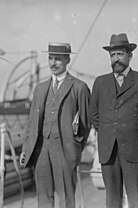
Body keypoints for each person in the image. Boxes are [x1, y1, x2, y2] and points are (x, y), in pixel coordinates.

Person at [90, 33, 138, 208]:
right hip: (109, 152)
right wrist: (109, 134)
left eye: (120, 54)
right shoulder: (100, 83)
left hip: (136, 150)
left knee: (137, 200)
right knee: (112, 200)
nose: (116, 59)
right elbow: (94, 115)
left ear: (130, 55)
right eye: (112, 55)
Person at [20, 42, 91, 208]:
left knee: (66, 198)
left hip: (65, 151)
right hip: (41, 151)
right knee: (44, 197)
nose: (53, 63)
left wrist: (74, 147)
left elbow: (86, 124)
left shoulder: (79, 87)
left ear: (67, 60)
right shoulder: (40, 88)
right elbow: (31, 123)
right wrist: (26, 147)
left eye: (58, 59)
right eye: (50, 58)